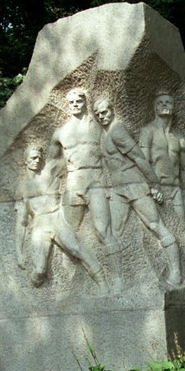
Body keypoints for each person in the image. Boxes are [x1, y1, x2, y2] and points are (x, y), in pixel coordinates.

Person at [92, 97, 182, 286]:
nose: (102, 116)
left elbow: (139, 158)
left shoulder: (117, 130)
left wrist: (154, 184)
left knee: (155, 225)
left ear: (112, 111)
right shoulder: (104, 133)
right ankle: (118, 281)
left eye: (105, 112)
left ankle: (176, 272)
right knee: (112, 233)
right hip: (118, 189)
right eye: (98, 114)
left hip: (134, 184)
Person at [45, 88, 123, 281]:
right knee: (67, 234)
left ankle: (117, 279)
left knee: (103, 231)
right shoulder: (61, 133)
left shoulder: (98, 127)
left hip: (96, 181)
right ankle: (71, 281)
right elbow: (52, 164)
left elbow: (114, 153)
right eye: (71, 102)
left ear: (85, 101)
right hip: (72, 184)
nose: (75, 105)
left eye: (79, 100)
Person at [15, 146, 106, 289]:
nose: (37, 161)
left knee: (76, 248)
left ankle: (102, 282)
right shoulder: (22, 187)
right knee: (40, 270)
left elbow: (70, 159)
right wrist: (19, 251)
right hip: (39, 226)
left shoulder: (50, 172)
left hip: (56, 218)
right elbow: (21, 222)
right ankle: (30, 293)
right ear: (25, 160)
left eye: (39, 157)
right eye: (33, 158)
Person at [138, 92, 185, 219]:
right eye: (160, 102)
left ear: (173, 107)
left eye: (168, 102)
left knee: (182, 226)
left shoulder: (179, 138)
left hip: (176, 190)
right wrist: (152, 187)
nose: (164, 104)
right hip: (157, 190)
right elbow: (143, 162)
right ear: (155, 108)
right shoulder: (147, 132)